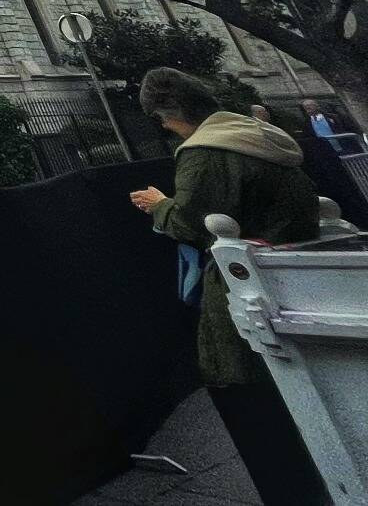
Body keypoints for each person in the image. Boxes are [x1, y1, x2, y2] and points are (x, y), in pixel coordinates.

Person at [130, 68, 324, 506]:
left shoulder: (205, 152)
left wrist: (160, 206)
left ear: (173, 112)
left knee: (251, 392)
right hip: (295, 272)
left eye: (163, 119)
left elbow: (194, 223)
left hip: (249, 293)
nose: (163, 128)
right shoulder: (259, 136)